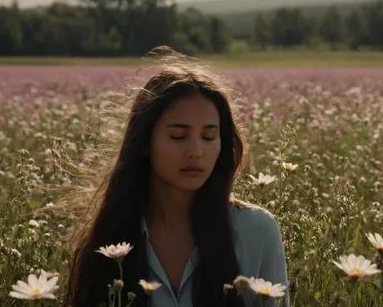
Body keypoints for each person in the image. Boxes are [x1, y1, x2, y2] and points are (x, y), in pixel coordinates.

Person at [63, 46, 289, 307]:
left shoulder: (257, 231)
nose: (195, 152)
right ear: (145, 143)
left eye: (208, 137)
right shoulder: (111, 235)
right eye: (178, 136)